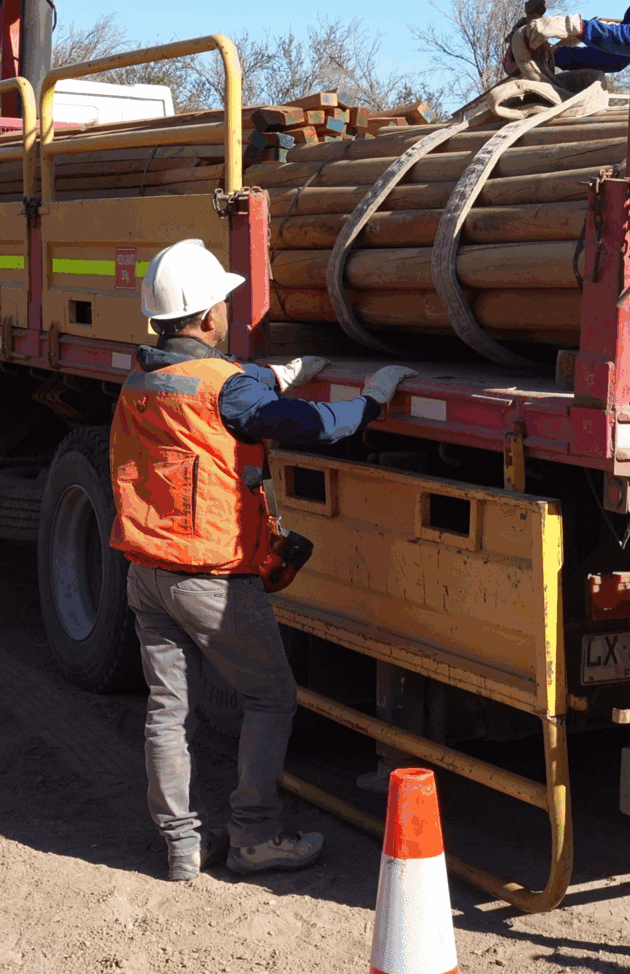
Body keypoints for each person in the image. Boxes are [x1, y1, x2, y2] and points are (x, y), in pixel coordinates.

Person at [109, 238, 415, 882]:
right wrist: (369, 404)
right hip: (209, 576)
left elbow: (210, 396)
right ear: (207, 317)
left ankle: (183, 845)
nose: (226, 310)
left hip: (147, 571)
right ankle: (254, 837)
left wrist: (270, 376)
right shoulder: (224, 388)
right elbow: (296, 423)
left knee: (169, 711)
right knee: (271, 698)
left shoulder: (141, 376)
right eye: (221, 301)